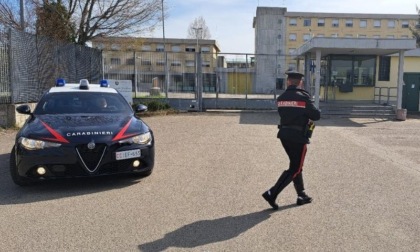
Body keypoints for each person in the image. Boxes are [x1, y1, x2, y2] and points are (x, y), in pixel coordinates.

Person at [262, 69, 321, 210]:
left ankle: (301, 195)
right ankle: (272, 193)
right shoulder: (303, 97)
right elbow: (316, 115)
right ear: (300, 82)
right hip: (298, 137)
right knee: (295, 167)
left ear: (288, 81)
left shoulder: (281, 98)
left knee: (296, 166)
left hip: (284, 135)